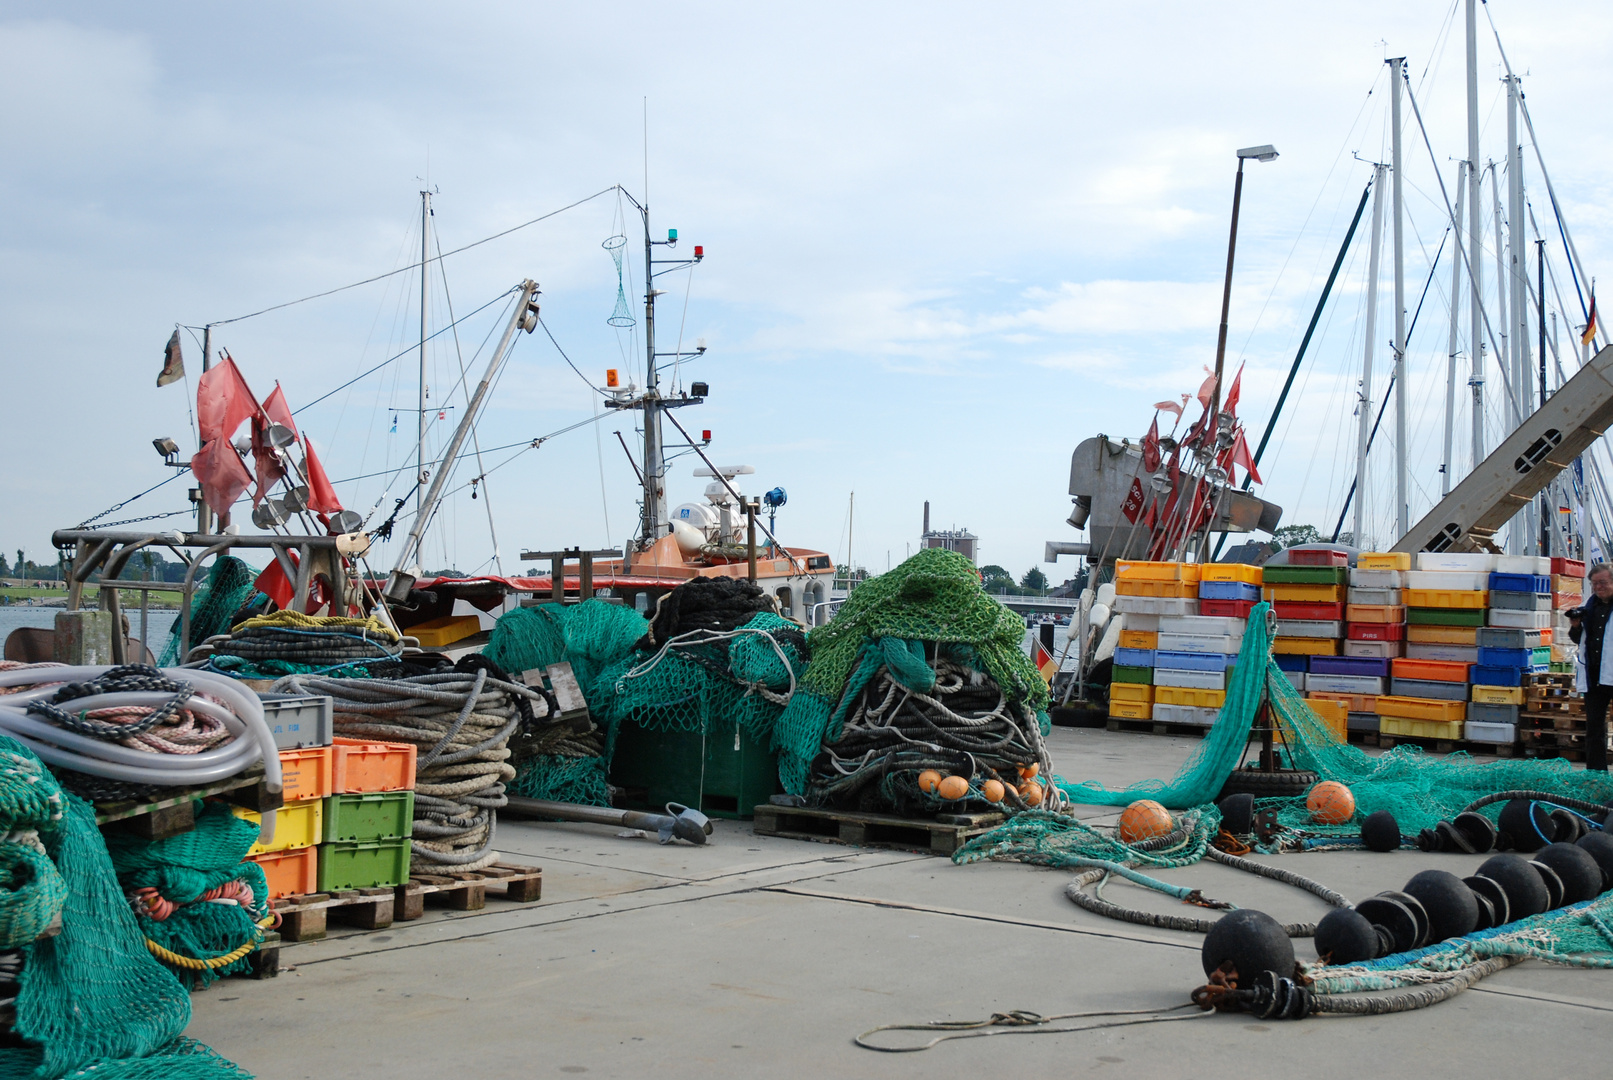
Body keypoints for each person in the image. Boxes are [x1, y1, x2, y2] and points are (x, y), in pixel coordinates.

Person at [1569, 563, 1613, 772]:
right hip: (1594, 674)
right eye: (1594, 584)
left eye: (1602, 582)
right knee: (1594, 727)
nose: (1598, 587)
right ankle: (1595, 772)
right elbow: (1579, 640)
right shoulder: (1590, 607)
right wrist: (1576, 626)